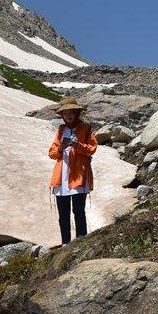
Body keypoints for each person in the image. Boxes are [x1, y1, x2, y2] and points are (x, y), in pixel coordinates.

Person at [48, 97, 97, 246]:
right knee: (63, 214)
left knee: (78, 211)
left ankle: (81, 242)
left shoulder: (86, 129)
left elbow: (92, 149)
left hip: (78, 174)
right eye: (65, 113)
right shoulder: (61, 130)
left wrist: (78, 145)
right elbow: (51, 153)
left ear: (77, 113)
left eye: (71, 113)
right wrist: (61, 148)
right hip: (61, 175)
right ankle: (65, 244)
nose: (68, 116)